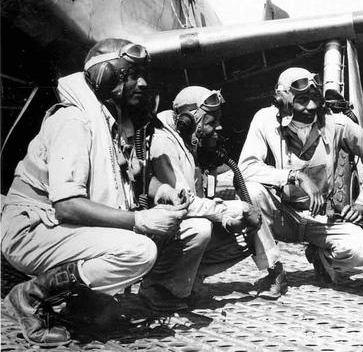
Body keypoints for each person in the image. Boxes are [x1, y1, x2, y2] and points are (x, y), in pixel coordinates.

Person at [0, 39, 188, 347]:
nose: (141, 82)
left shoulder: (105, 122)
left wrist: (161, 190)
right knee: (138, 250)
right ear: (106, 76)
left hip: (52, 227)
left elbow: (126, 174)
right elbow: (68, 206)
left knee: (144, 237)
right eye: (130, 74)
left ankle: (82, 302)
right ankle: (30, 296)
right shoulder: (75, 121)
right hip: (30, 229)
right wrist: (140, 220)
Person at [238, 67, 363, 299]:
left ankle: (321, 255)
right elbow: (246, 168)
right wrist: (294, 176)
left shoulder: (338, 124)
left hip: (320, 216)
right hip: (280, 214)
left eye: (315, 99)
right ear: (282, 101)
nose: (311, 107)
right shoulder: (264, 121)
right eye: (302, 100)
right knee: (251, 191)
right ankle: (274, 271)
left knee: (360, 250)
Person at [144, 86, 261, 310]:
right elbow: (183, 203)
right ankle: (156, 286)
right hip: (158, 230)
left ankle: (184, 280)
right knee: (201, 227)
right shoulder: (164, 144)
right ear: (188, 122)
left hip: (176, 229)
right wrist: (232, 210)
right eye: (210, 122)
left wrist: (230, 220)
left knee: (247, 232)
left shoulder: (191, 142)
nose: (218, 127)